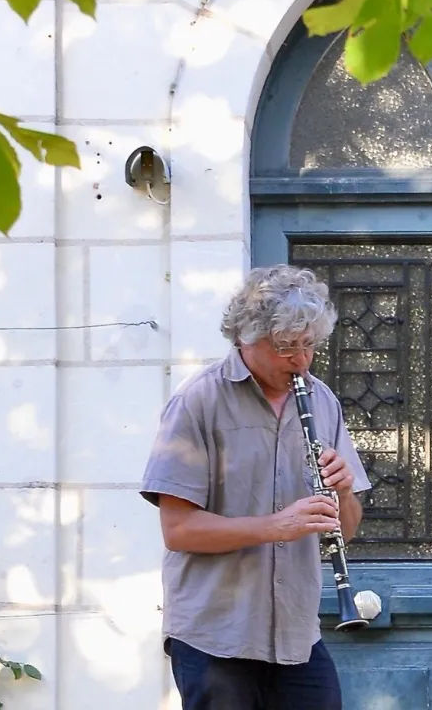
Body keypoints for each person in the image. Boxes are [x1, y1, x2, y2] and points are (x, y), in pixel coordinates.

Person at [140, 264, 371, 710]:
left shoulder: (322, 401)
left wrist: (343, 492)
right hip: (215, 634)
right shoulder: (199, 400)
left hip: (296, 634)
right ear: (246, 338)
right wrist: (276, 526)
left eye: (309, 345)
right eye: (286, 347)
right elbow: (179, 530)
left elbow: (346, 530)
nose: (301, 360)